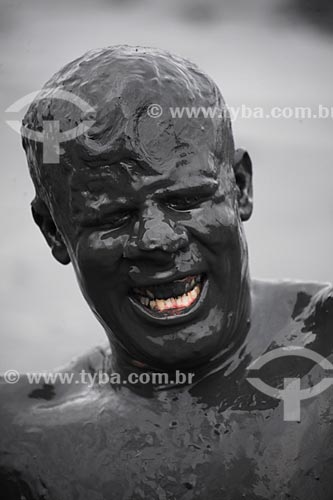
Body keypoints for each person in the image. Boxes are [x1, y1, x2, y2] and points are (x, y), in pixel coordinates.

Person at [1, 45, 332, 500]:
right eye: (112, 217)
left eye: (186, 200)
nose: (157, 241)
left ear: (240, 188)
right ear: (54, 231)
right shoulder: (20, 442)